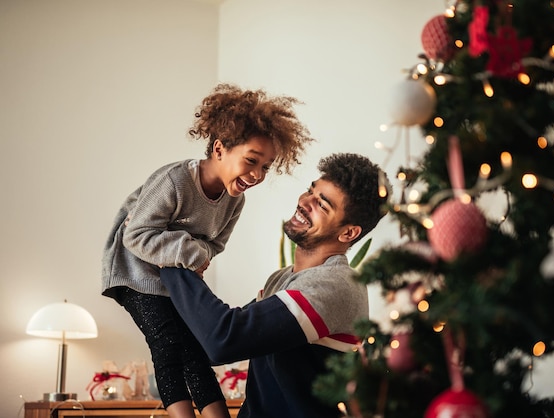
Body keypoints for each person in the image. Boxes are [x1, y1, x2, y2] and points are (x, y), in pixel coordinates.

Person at [101, 83, 315, 418]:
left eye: (266, 167)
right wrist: (190, 252)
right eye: (251, 161)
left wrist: (196, 254)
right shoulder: (174, 181)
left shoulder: (235, 199)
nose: (257, 174)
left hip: (177, 278)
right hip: (136, 273)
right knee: (167, 345)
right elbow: (136, 235)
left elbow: (215, 244)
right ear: (219, 149)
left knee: (197, 350)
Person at [160, 153, 390, 418]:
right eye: (310, 191)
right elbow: (209, 343)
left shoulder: (336, 285)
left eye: (322, 205)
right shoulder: (282, 279)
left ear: (348, 233)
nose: (304, 202)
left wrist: (169, 255)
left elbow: (224, 339)